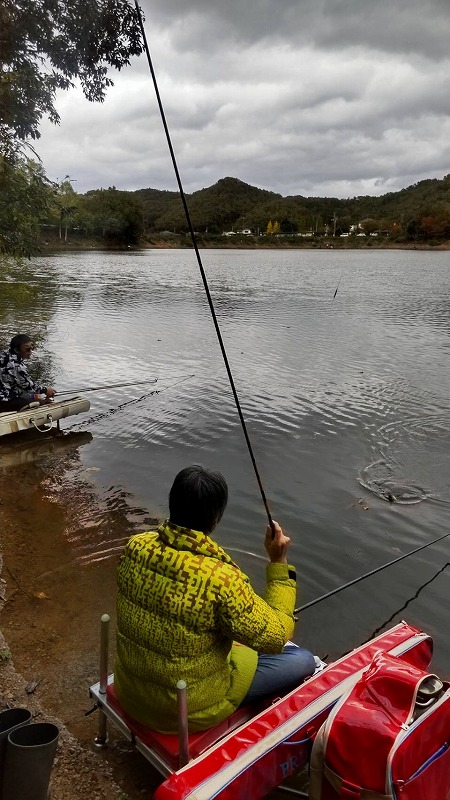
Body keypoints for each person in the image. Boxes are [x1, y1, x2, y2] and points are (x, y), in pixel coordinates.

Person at [114, 464, 316, 733]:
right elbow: (277, 636)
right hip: (186, 710)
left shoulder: (136, 546)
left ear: (172, 502)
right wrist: (279, 563)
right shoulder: (221, 579)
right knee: (302, 660)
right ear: (216, 518)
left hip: (131, 692)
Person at [0, 334, 56, 412]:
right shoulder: (17, 366)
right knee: (40, 402)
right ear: (17, 350)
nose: (30, 352)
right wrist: (46, 390)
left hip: (8, 393)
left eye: (31, 349)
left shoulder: (3, 355)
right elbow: (29, 387)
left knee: (32, 396)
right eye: (27, 350)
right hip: (5, 401)